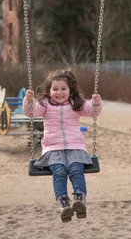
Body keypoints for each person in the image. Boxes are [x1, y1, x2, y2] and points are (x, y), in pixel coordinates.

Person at [24, 68, 103, 222]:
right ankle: (64, 203)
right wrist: (29, 101)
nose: (59, 92)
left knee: (76, 169)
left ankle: (80, 198)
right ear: (49, 90)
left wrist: (96, 103)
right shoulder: (44, 105)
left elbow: (92, 111)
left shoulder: (76, 103)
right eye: (55, 89)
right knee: (59, 172)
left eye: (63, 89)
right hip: (53, 149)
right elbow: (31, 112)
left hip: (75, 147)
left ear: (70, 90)